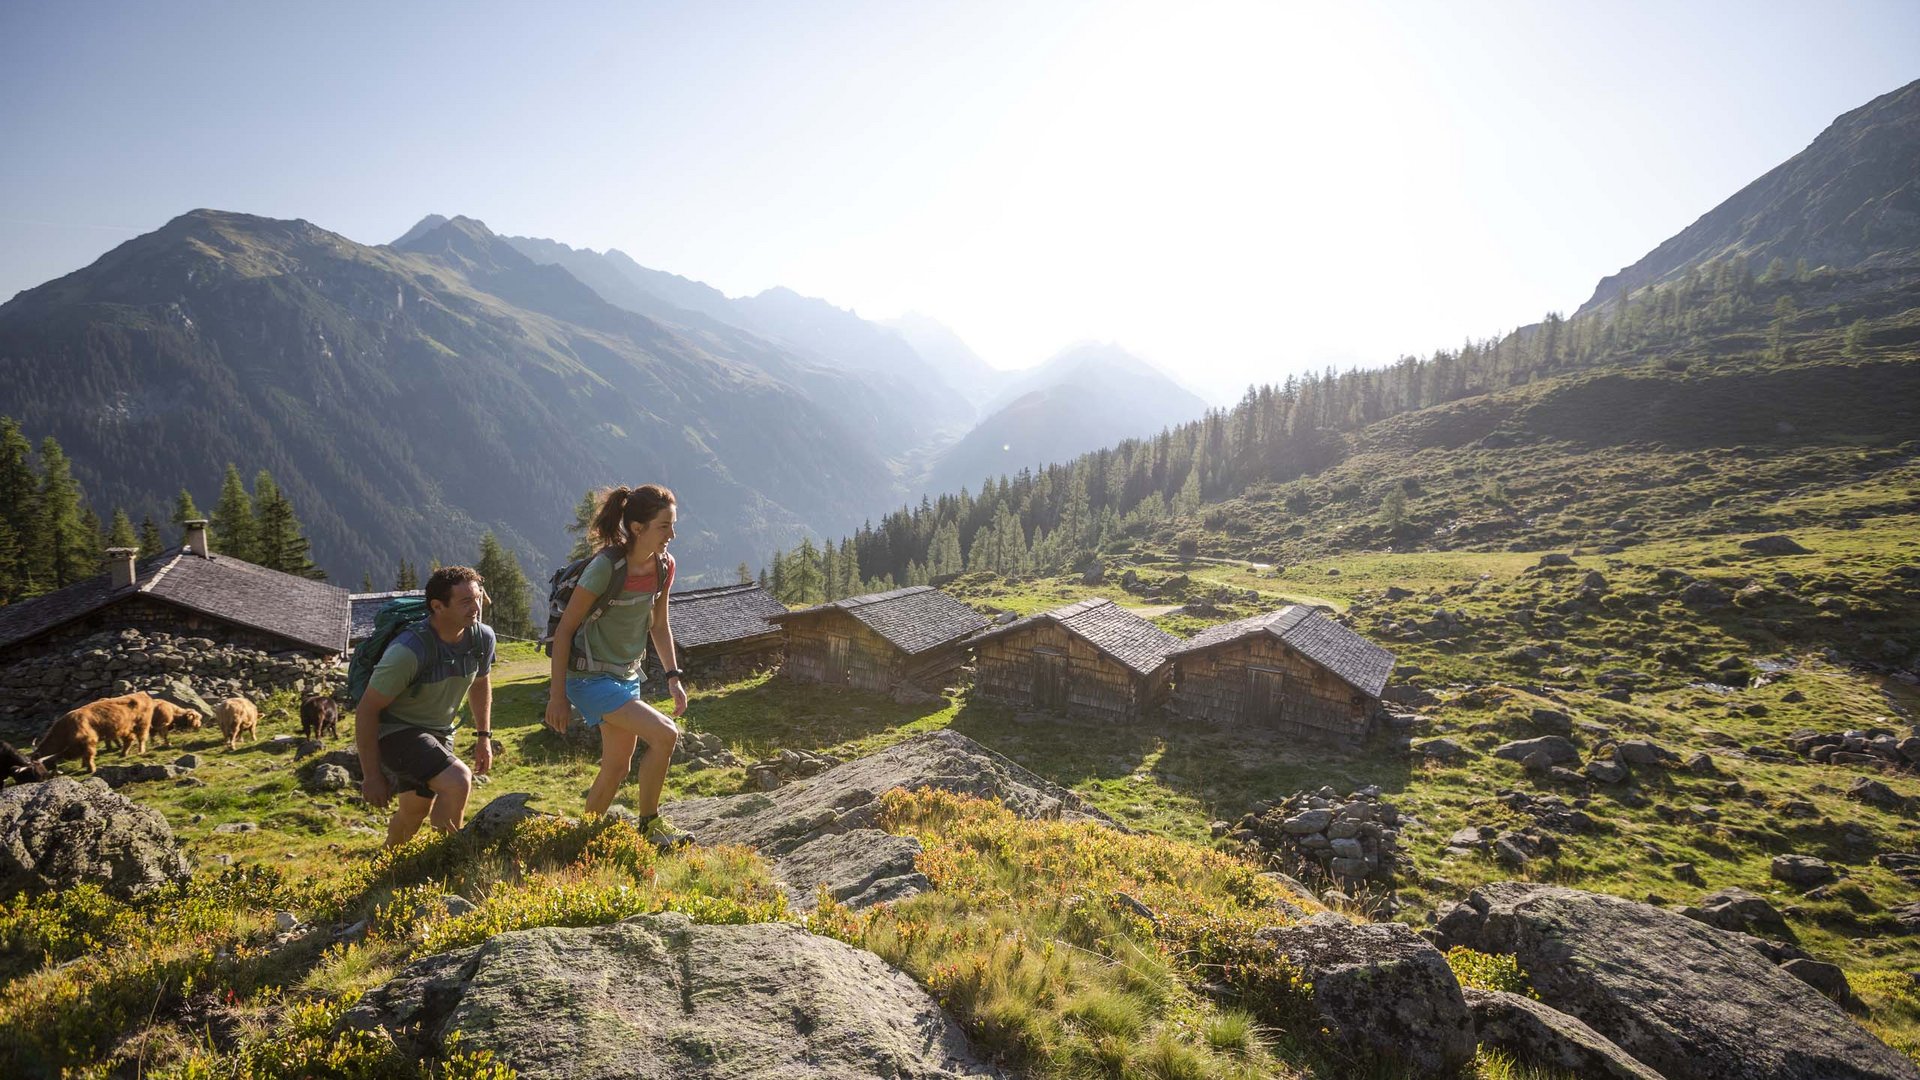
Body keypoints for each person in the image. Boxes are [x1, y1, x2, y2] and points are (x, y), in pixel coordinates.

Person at [544, 484, 691, 845]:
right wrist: (556, 696)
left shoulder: (663, 566)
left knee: (617, 765)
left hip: (626, 676)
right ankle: (650, 824)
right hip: (588, 678)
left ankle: (581, 842)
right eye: (664, 526)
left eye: (673, 525)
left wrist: (673, 677)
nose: (672, 534)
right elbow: (563, 633)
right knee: (665, 734)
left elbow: (659, 625)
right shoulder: (605, 569)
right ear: (638, 528)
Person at [356, 565, 496, 845]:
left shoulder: (482, 638)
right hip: (396, 733)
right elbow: (367, 710)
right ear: (438, 606)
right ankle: (445, 861)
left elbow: (480, 683)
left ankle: (384, 869)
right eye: (465, 601)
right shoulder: (409, 651)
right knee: (457, 781)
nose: (476, 607)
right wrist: (371, 776)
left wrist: (484, 737)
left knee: (413, 812)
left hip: (440, 734)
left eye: (478, 598)